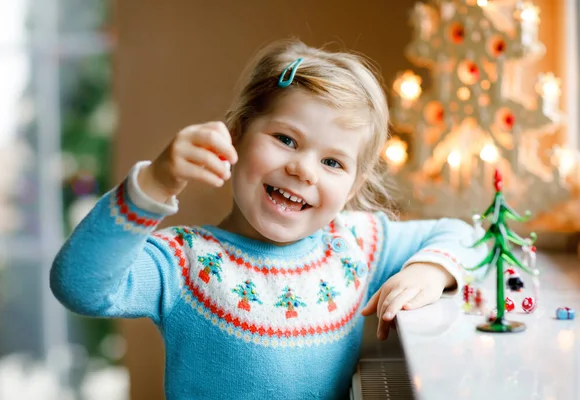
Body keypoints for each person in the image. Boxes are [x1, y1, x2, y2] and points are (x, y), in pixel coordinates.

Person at [50, 39, 485, 399]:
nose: (304, 170)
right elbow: (80, 285)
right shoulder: (184, 261)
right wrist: (155, 184)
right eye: (285, 139)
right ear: (235, 133)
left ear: (353, 186)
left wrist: (432, 270)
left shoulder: (353, 242)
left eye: (333, 162)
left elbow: (466, 236)